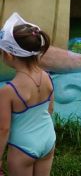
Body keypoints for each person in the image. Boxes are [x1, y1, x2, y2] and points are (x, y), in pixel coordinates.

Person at [0, 13, 56, 175]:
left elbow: (3, 129)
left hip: (23, 146)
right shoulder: (47, 77)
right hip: (47, 139)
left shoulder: (8, 91)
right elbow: (50, 109)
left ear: (9, 55)